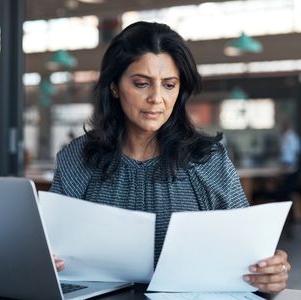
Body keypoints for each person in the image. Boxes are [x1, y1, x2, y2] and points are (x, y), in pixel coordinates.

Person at [50, 21, 290, 293]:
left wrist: (270, 272)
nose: (156, 98)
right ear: (114, 87)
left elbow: (250, 254)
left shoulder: (209, 161)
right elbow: (52, 250)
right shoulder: (77, 159)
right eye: (141, 84)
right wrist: (47, 258)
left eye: (169, 85)